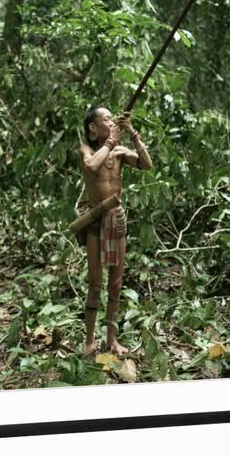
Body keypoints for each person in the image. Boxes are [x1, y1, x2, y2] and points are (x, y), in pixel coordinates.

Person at [78, 106, 152, 356]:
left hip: (117, 220)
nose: (111, 122)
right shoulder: (86, 150)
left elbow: (146, 164)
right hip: (96, 221)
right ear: (93, 127)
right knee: (95, 283)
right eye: (106, 119)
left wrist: (132, 133)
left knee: (116, 284)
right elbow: (91, 167)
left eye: (113, 119)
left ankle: (112, 340)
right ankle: (89, 342)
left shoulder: (119, 151)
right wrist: (112, 140)